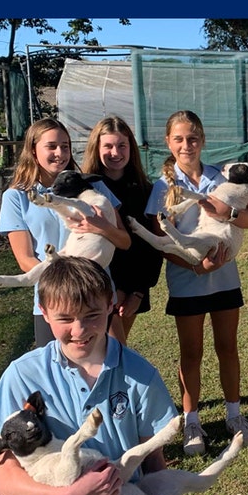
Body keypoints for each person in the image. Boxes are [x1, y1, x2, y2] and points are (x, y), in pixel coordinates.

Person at [0, 256, 179, 495]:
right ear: (43, 313)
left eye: (92, 315)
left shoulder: (140, 375)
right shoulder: (22, 375)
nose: (80, 330)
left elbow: (155, 463)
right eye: (64, 319)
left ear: (111, 305)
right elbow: (5, 478)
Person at [145, 110, 248, 457]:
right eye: (179, 139)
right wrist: (196, 268)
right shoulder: (162, 188)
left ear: (203, 141)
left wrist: (225, 214)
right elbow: (160, 243)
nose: (187, 145)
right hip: (187, 284)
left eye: (193, 138)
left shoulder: (221, 178)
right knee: (191, 353)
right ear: (169, 143)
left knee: (228, 348)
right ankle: (192, 421)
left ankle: (234, 415)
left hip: (225, 281)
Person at [0, 117, 131, 348]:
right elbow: (26, 259)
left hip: (97, 294)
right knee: (58, 377)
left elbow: (125, 241)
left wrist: (102, 227)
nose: (60, 153)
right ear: (33, 150)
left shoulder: (92, 187)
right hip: (53, 301)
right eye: (52, 146)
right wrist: (66, 282)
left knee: (114, 369)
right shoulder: (16, 197)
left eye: (65, 146)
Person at [82, 115, 164, 344]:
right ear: (96, 148)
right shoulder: (86, 189)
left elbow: (152, 246)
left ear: (131, 148)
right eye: (108, 146)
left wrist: (137, 292)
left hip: (132, 291)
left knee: (115, 350)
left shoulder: (145, 191)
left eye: (122, 145)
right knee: (98, 350)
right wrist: (109, 290)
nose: (115, 153)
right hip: (97, 287)